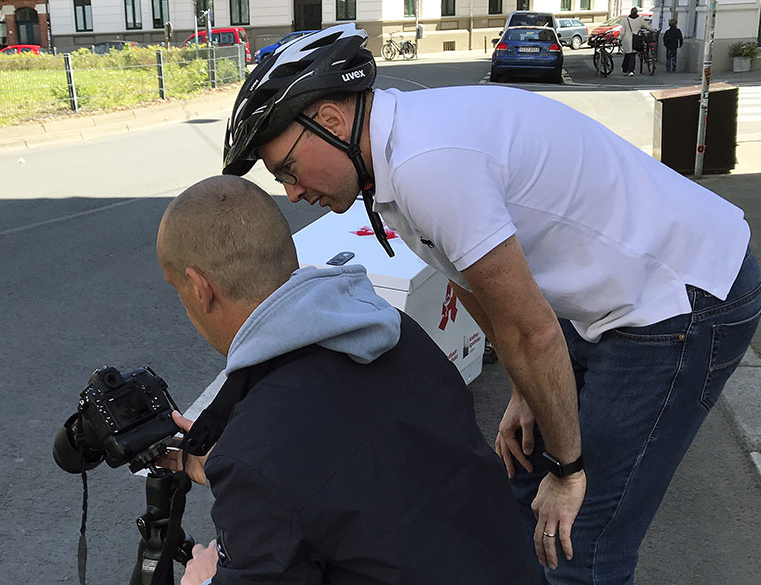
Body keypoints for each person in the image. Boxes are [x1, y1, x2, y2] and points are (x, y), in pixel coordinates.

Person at [220, 24, 761, 585]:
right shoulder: (391, 160)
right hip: (613, 297)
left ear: (330, 121)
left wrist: (570, 468)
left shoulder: (427, 164)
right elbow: (471, 284)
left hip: (684, 297)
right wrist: (526, 396)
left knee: (579, 544)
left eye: (286, 168)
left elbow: (533, 333)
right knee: (524, 485)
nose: (291, 192)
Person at [156, 175, 538, 585]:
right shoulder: (391, 330)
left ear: (200, 288)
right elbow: (358, 466)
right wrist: (234, 459)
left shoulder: (257, 455)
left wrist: (204, 579)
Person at [620, 8, 655, 76]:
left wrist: (620, 39)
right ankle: (631, 71)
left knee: (627, 54)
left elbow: (623, 32)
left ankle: (625, 69)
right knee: (632, 55)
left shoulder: (625, 20)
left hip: (626, 39)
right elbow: (647, 27)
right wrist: (653, 30)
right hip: (636, 38)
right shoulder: (640, 19)